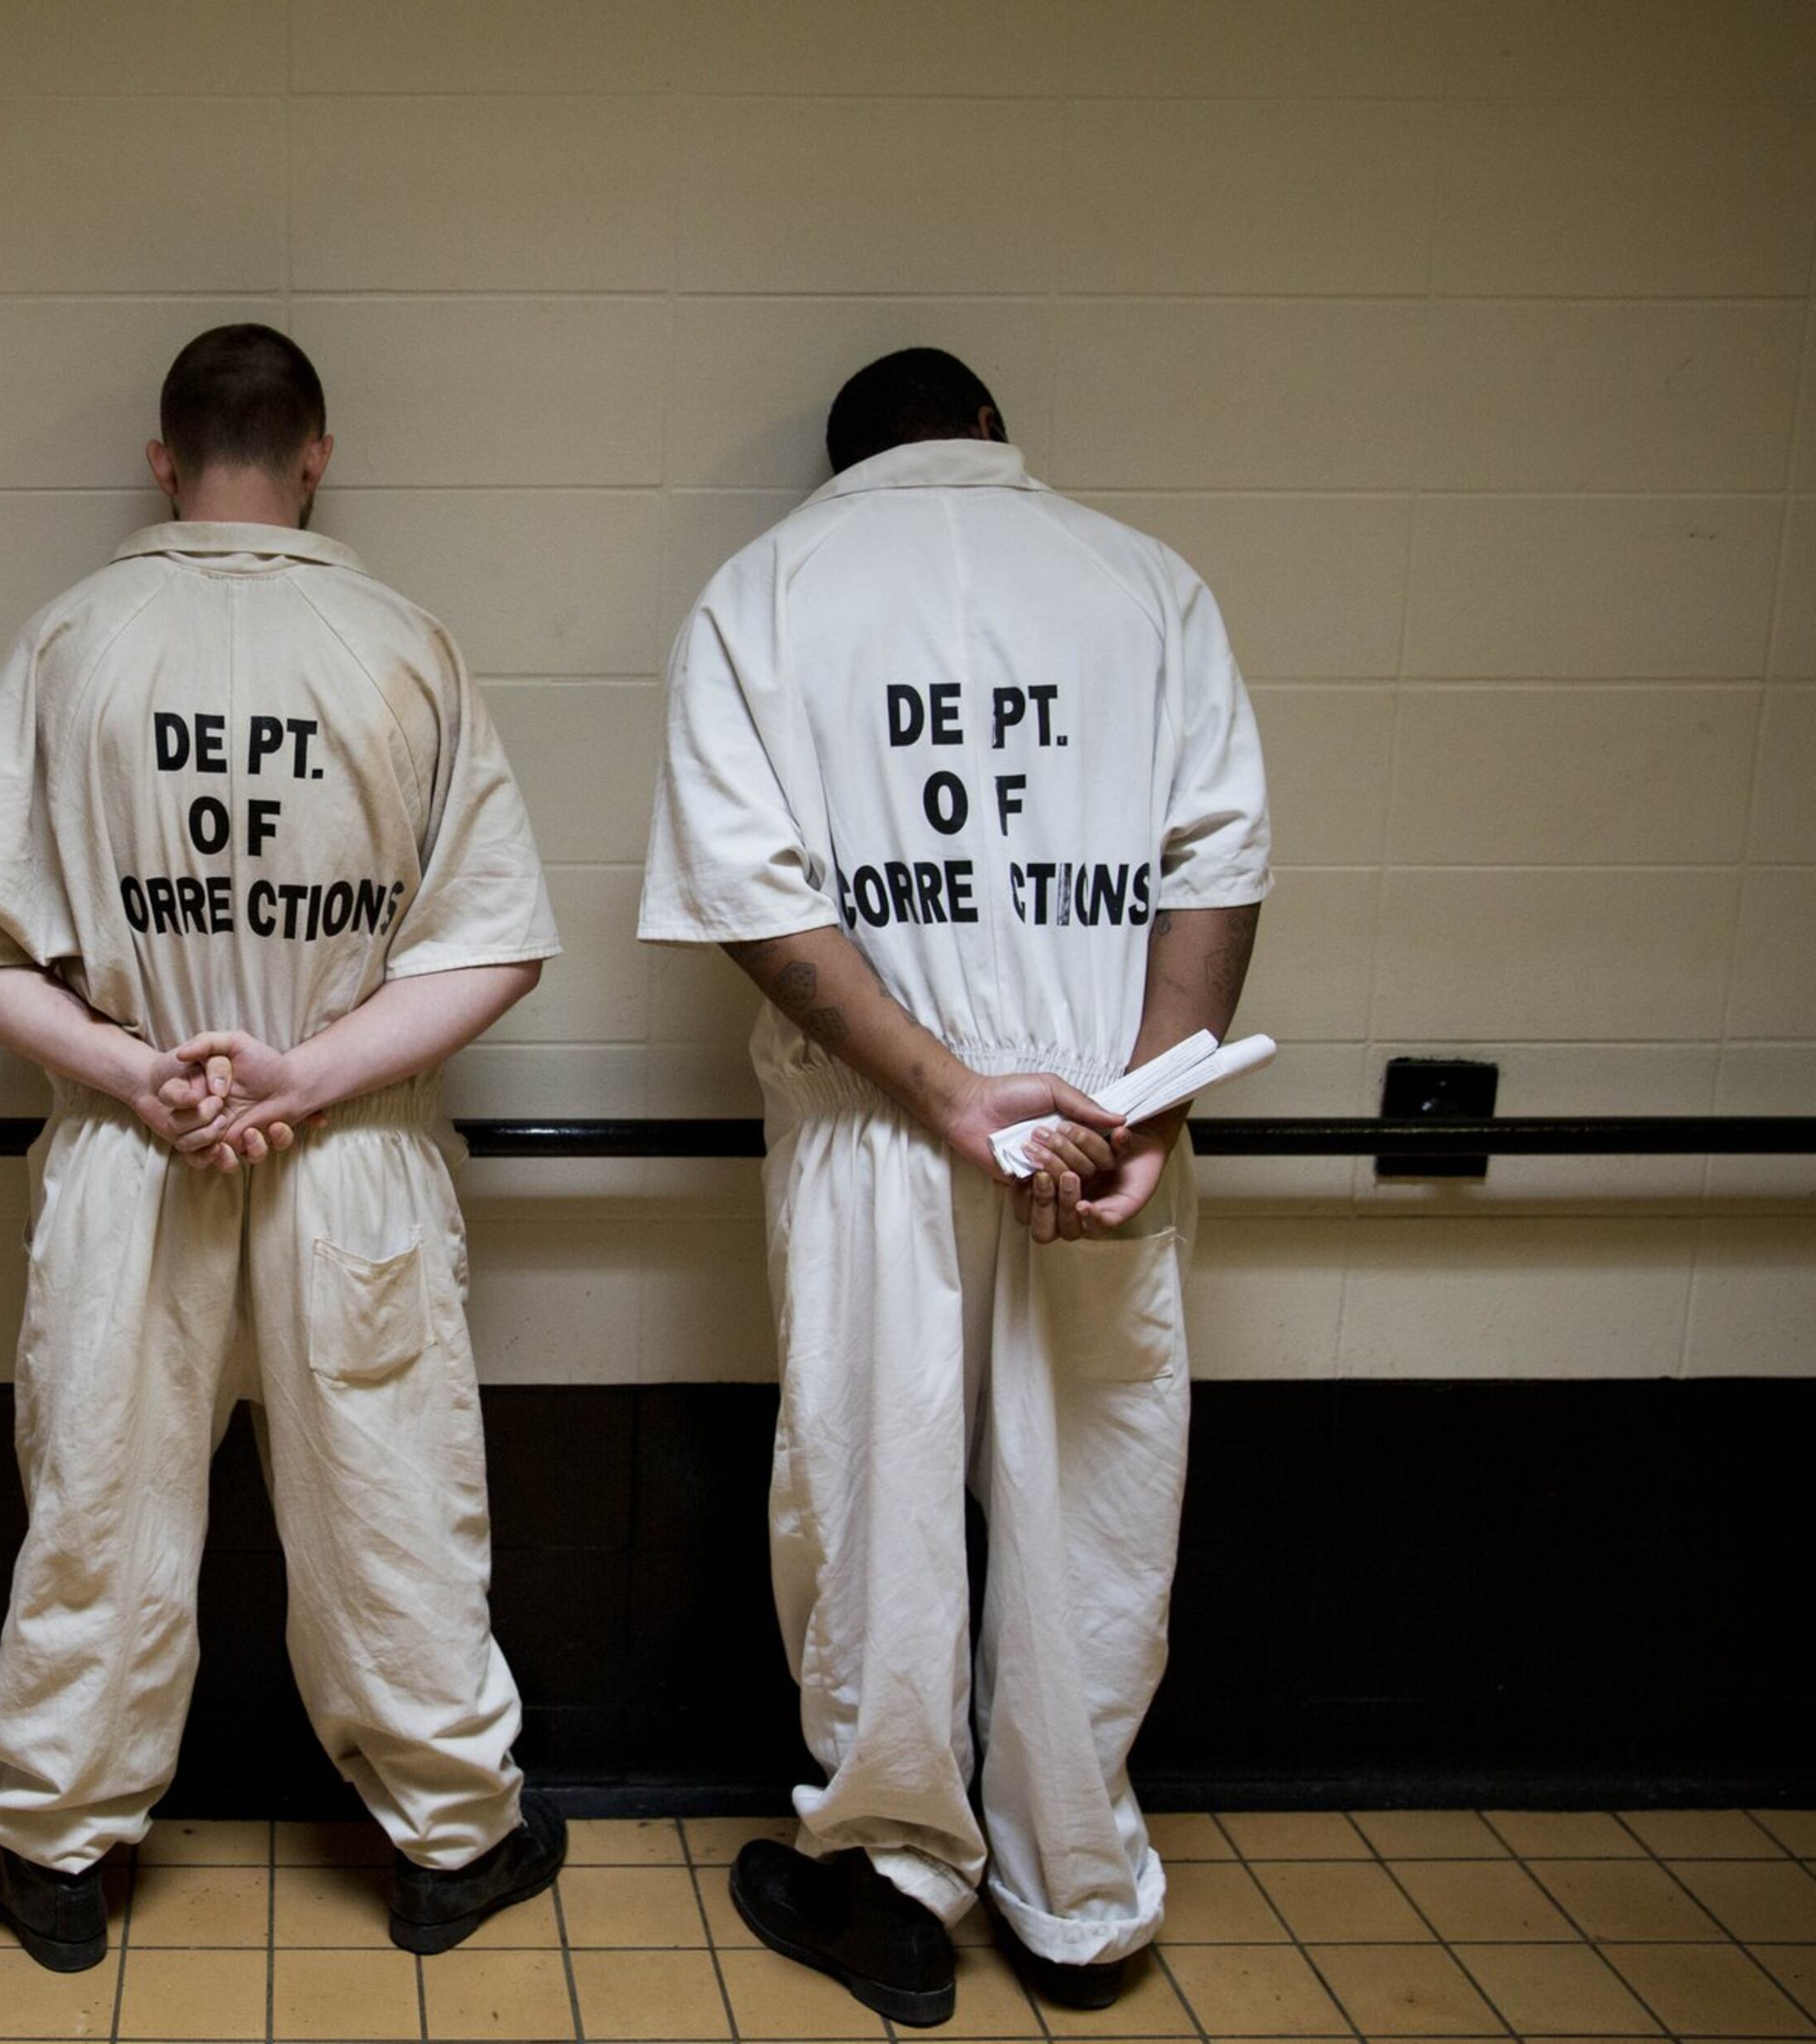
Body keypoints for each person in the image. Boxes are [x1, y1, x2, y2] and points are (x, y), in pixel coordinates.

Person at [0, 324, 569, 1970]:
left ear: (165, 459)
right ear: (317, 455)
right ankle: (454, 1838)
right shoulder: (406, 647)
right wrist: (301, 1076)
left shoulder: (73, 640)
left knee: (100, 1509)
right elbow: (496, 944)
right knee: (391, 1504)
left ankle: (51, 1847)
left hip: (139, 1149)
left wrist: (136, 1067)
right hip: (350, 1154)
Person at [638, 349, 1268, 2025]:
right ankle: (1080, 1903)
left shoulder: (765, 589)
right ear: (991, 434)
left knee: (877, 1509)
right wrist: (1142, 1103)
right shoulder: (1149, 586)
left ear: (843, 463)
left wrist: (946, 1094)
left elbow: (754, 900)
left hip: (882, 1127)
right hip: (1104, 1120)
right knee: (1095, 1506)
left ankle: (895, 1891)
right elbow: (1219, 857)